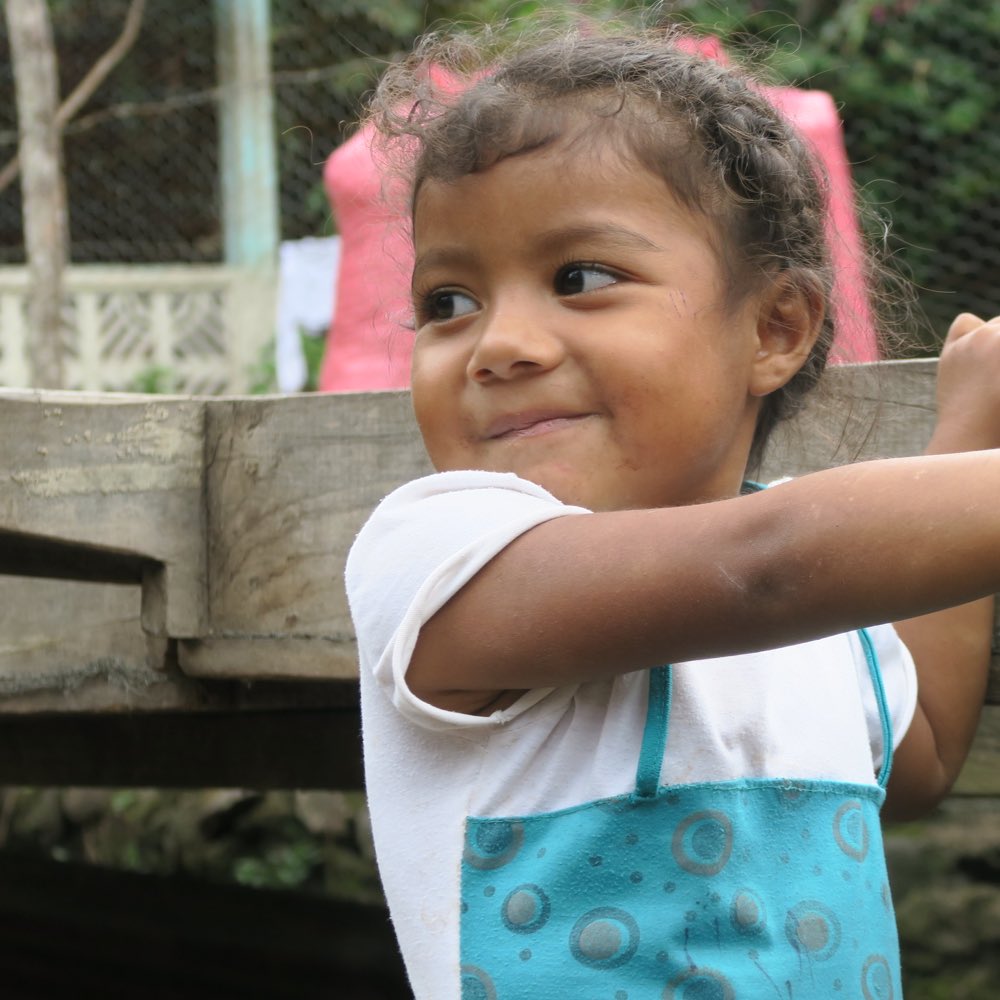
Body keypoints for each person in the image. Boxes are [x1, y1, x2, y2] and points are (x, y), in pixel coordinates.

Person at [345, 21, 1000, 999]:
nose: (497, 344)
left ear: (775, 327)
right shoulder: (437, 557)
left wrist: (972, 425)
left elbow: (923, 754)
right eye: (447, 301)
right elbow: (766, 566)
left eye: (579, 279)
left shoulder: (832, 620)